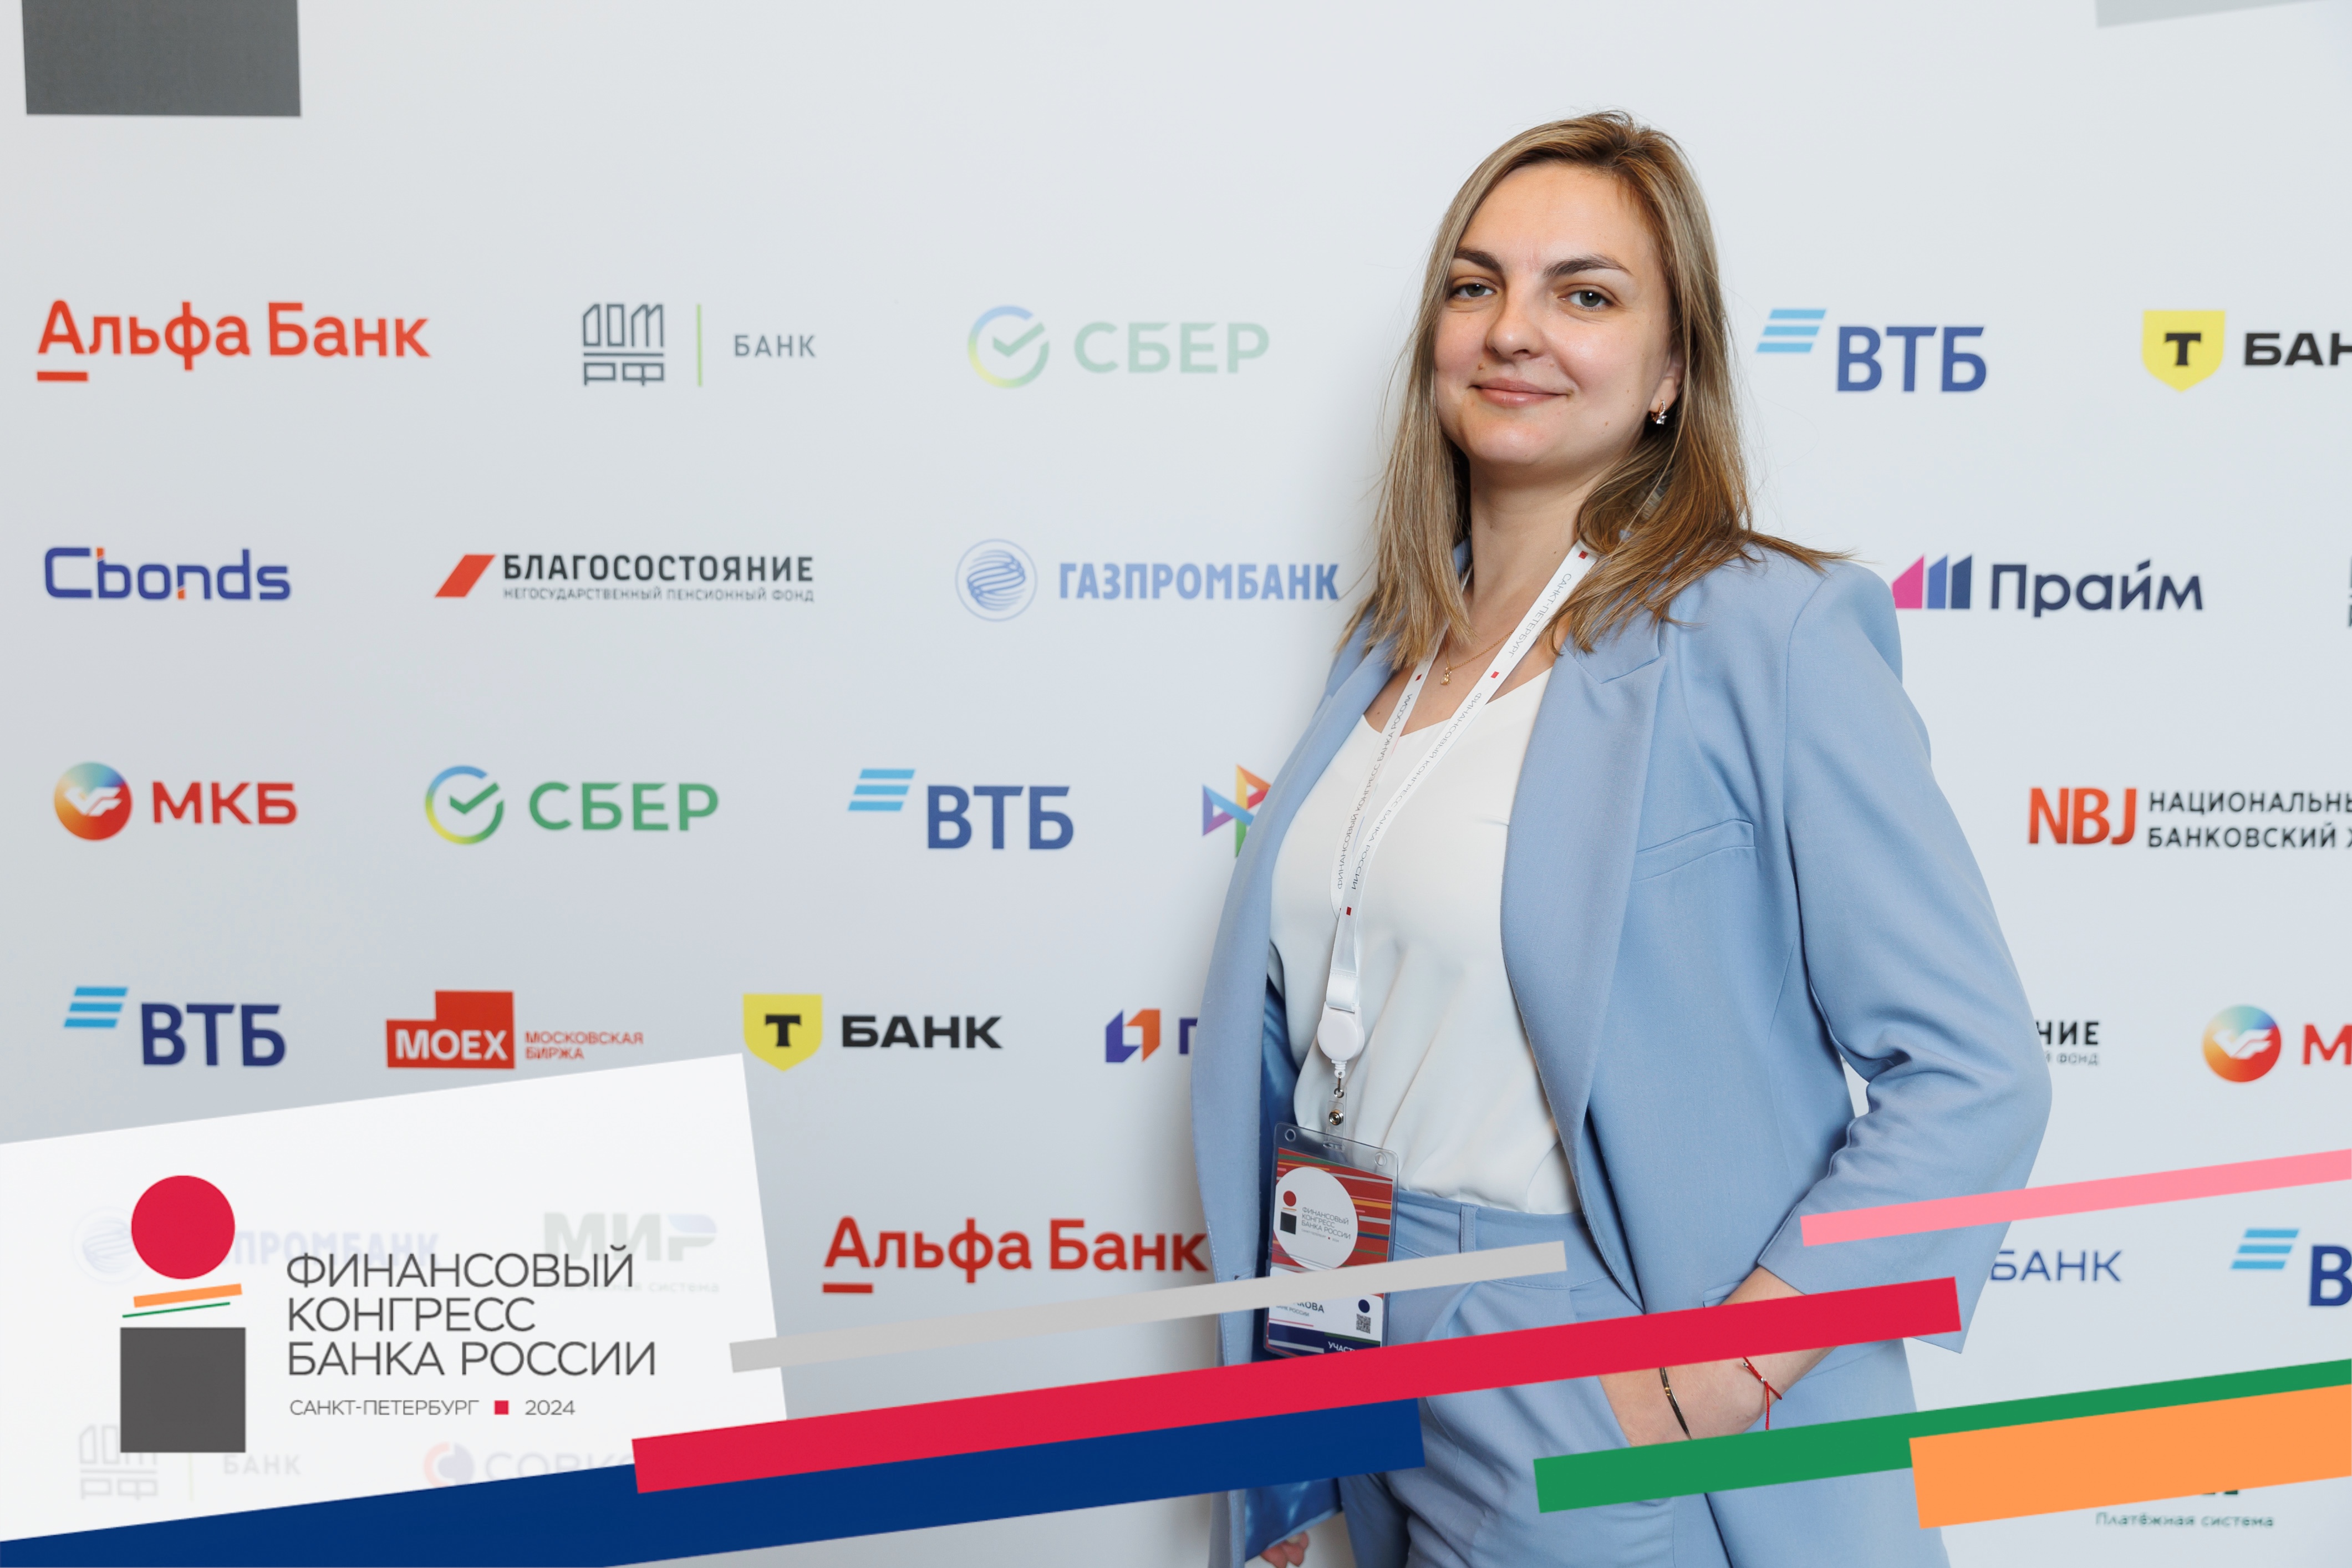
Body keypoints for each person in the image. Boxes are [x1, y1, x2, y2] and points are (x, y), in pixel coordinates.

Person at [1188, 113, 2050, 1568]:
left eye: (1583, 294)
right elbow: (1315, 1064)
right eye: (1474, 286)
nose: (1513, 329)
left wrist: (1710, 1380)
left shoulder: (1765, 634)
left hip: (1574, 1345)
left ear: (1669, 374)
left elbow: (1975, 1072)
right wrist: (1282, 1452)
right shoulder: (1386, 653)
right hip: (1347, 1315)